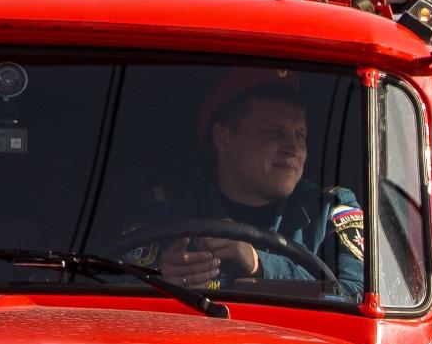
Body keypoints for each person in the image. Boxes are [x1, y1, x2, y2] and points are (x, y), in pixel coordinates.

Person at [125, 68, 366, 298]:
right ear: (224, 138)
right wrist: (158, 280)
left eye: (300, 135)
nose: (293, 149)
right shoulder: (166, 208)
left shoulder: (329, 209)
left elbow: (358, 296)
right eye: (274, 132)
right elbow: (104, 286)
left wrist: (258, 263)